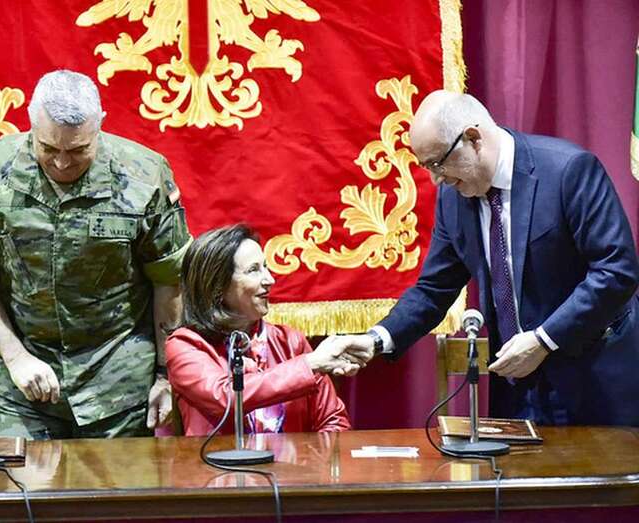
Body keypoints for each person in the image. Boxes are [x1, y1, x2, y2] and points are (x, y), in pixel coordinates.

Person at [332, 90, 639, 426]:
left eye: (437, 163)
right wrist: (375, 340)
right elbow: (433, 290)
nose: (436, 179)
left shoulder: (568, 170)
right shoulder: (453, 199)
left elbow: (616, 270)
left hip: (593, 378)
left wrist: (543, 340)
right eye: (426, 167)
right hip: (517, 388)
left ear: (473, 138)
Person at [0, 69, 192, 438]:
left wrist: (166, 374)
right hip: (25, 388)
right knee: (15, 493)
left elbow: (169, 280)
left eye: (78, 150)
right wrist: (15, 357)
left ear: (99, 127)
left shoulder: (144, 176)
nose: (62, 162)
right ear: (31, 125)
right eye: (48, 148)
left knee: (114, 497)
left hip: (118, 388)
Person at [166, 225, 355, 436]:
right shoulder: (185, 345)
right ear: (218, 286)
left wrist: (309, 464)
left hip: (293, 468)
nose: (269, 280)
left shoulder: (290, 341)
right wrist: (309, 365)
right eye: (253, 270)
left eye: (265, 267)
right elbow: (224, 397)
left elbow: (333, 422)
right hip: (215, 468)